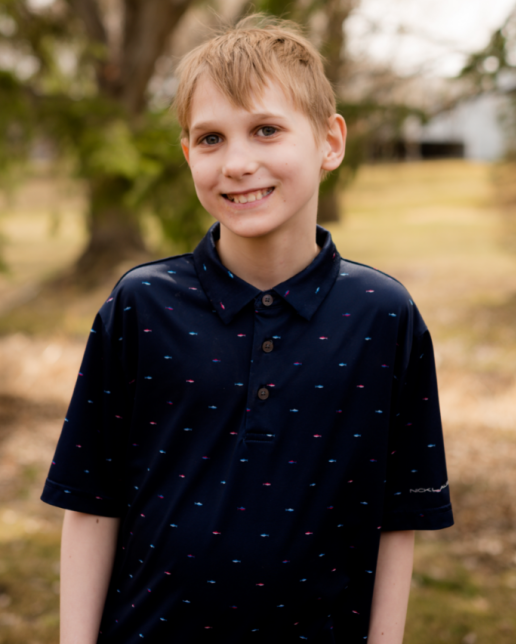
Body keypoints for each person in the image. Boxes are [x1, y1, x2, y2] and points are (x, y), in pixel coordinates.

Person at [41, 14, 453, 644]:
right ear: (187, 155)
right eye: (210, 139)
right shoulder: (140, 305)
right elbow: (92, 505)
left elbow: (398, 520)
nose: (237, 162)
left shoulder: (383, 316)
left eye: (266, 130)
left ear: (330, 142)